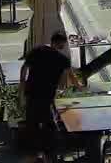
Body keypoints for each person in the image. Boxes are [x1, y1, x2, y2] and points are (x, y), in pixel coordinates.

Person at [20, 31, 74, 160]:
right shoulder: (63, 59)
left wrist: (22, 84)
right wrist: (74, 87)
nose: (63, 46)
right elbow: (67, 80)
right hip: (47, 95)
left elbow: (24, 68)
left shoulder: (37, 50)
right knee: (50, 125)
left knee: (32, 123)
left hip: (31, 92)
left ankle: (34, 152)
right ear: (60, 43)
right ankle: (49, 153)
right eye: (63, 44)